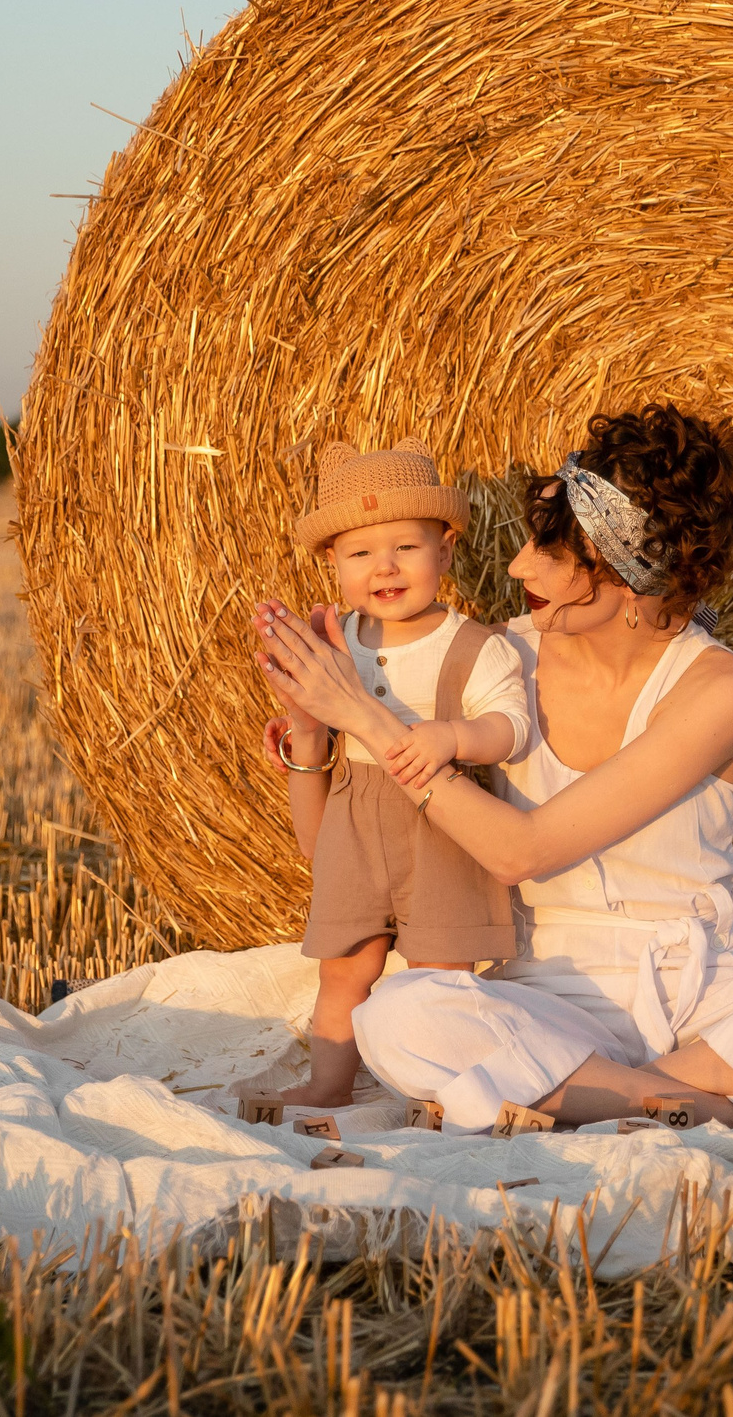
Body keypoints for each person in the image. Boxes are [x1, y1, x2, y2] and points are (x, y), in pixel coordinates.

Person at [253, 405, 733, 1133]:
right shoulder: (495, 661)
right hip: (548, 994)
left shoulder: (716, 689)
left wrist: (369, 717)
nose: (516, 565)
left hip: (709, 993)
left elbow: (521, 849)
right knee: (399, 1016)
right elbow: (339, 853)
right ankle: (710, 1102)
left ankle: (618, 1093)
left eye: (549, 555)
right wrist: (311, 740)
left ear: (629, 579)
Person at [264, 440, 532, 1108]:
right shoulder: (334, 639)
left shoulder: (475, 644)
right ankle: (328, 1084)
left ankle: (440, 1085)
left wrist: (455, 735)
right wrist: (303, 730)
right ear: (333, 562)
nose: (384, 566)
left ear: (444, 550)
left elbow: (511, 725)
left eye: (406, 548)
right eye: (360, 553)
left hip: (441, 827)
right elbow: (315, 726)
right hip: (357, 820)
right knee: (342, 970)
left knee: (440, 977)